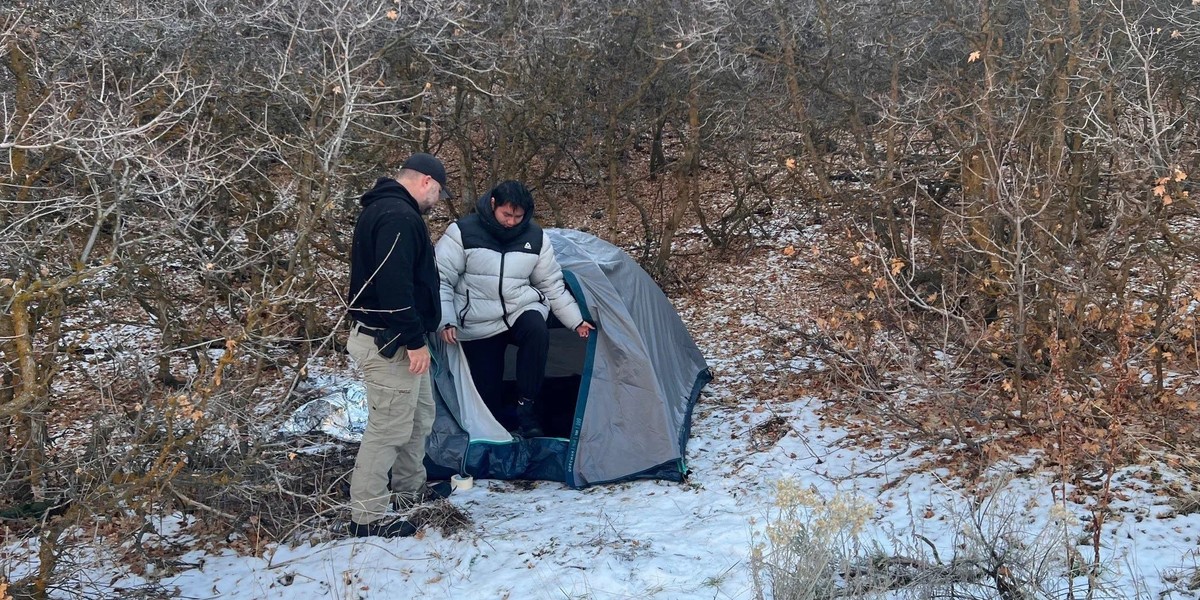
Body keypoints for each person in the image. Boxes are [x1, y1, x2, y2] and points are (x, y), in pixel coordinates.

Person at [345, 153, 452, 538]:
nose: (437, 201)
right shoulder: (398, 217)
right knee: (388, 429)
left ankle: (408, 491)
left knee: (419, 417)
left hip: (402, 340)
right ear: (425, 181)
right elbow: (393, 290)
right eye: (438, 192)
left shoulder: (389, 211)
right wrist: (413, 340)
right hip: (390, 343)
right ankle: (366, 517)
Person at [435, 180, 594, 437]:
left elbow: (551, 284)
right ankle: (494, 428)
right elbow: (441, 278)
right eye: (506, 215)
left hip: (519, 308)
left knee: (537, 330)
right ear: (493, 204)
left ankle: (526, 406)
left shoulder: (535, 237)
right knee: (486, 393)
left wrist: (576, 320)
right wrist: (447, 320)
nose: (511, 222)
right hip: (478, 319)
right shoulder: (462, 232)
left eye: (517, 217)